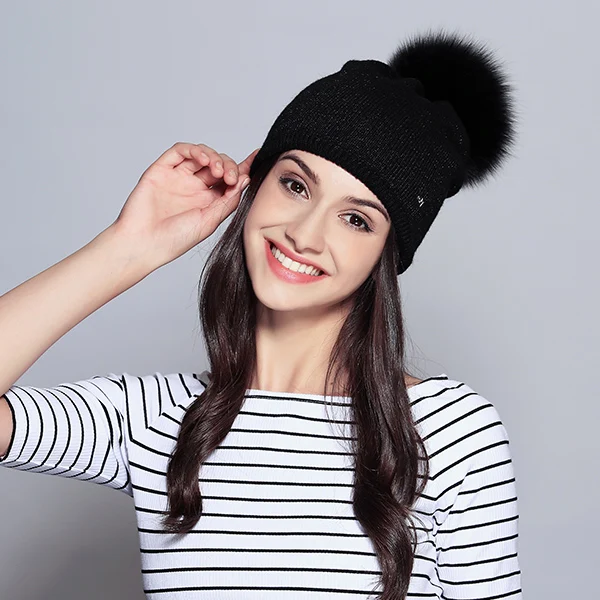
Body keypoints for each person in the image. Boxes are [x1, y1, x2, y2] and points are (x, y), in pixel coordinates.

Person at [0, 30, 522, 599]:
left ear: (385, 256)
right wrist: (128, 248)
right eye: (296, 186)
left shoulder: (449, 431)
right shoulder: (154, 419)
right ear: (256, 185)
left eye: (356, 220)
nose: (305, 234)